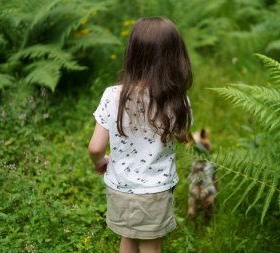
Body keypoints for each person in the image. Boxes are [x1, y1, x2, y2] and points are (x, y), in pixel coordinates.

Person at [88, 17, 193, 253]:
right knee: (150, 244)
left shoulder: (112, 96)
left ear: (133, 54)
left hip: (119, 187)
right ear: (175, 58)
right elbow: (182, 135)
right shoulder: (178, 101)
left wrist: (100, 162)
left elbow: (95, 147)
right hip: (155, 191)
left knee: (128, 236)